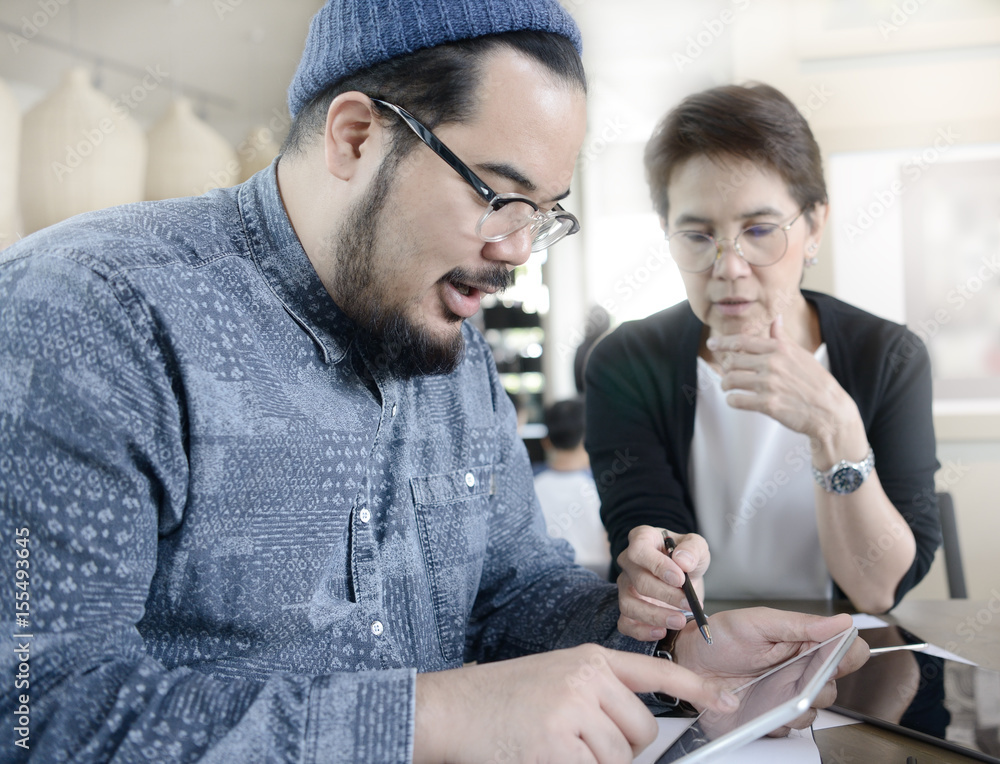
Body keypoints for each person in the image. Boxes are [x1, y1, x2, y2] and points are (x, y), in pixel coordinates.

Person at [0, 7, 867, 761]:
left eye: (545, 212)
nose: (520, 251)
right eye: (498, 194)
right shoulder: (90, 315)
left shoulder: (449, 337)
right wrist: (438, 715)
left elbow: (513, 593)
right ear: (354, 137)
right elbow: (34, 713)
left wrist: (670, 647)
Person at [584, 83, 942, 638]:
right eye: (698, 235)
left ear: (815, 225)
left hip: (850, 652)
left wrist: (834, 425)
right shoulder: (627, 360)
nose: (729, 267)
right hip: (695, 647)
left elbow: (878, 590)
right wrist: (660, 567)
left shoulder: (888, 357)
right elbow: (650, 543)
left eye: (758, 230)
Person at [534, 398, 612, 577]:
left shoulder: (531, 487)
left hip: (546, 581)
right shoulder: (602, 488)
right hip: (597, 582)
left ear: (546, 441)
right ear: (589, 438)